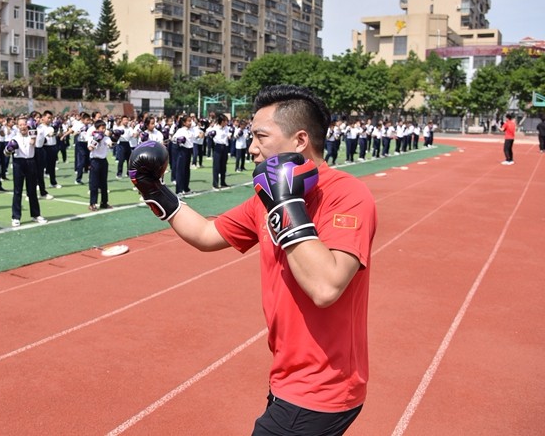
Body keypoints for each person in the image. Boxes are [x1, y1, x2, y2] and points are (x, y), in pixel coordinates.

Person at [128, 85, 377, 435]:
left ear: (300, 140)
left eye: (261, 136)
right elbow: (206, 234)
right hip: (287, 377)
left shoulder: (347, 195)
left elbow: (325, 287)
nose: (252, 148)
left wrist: (286, 205)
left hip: (322, 387)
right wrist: (153, 189)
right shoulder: (266, 198)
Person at [6, 116, 47, 227]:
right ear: (17, 126)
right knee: (17, 191)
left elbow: (33, 143)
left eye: (24, 124)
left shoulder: (33, 135)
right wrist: (9, 149)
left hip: (30, 162)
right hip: (18, 163)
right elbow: (6, 153)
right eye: (20, 125)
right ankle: (15, 217)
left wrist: (33, 134)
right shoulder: (14, 137)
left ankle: (36, 214)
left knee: (32, 190)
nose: (23, 127)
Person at [87, 120, 113, 211]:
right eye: (102, 128)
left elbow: (111, 144)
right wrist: (96, 140)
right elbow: (90, 148)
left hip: (103, 161)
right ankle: (92, 203)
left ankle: (104, 202)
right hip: (95, 161)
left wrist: (115, 138)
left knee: (104, 183)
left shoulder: (106, 138)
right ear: (97, 128)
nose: (104, 130)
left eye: (105, 128)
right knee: (94, 183)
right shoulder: (92, 138)